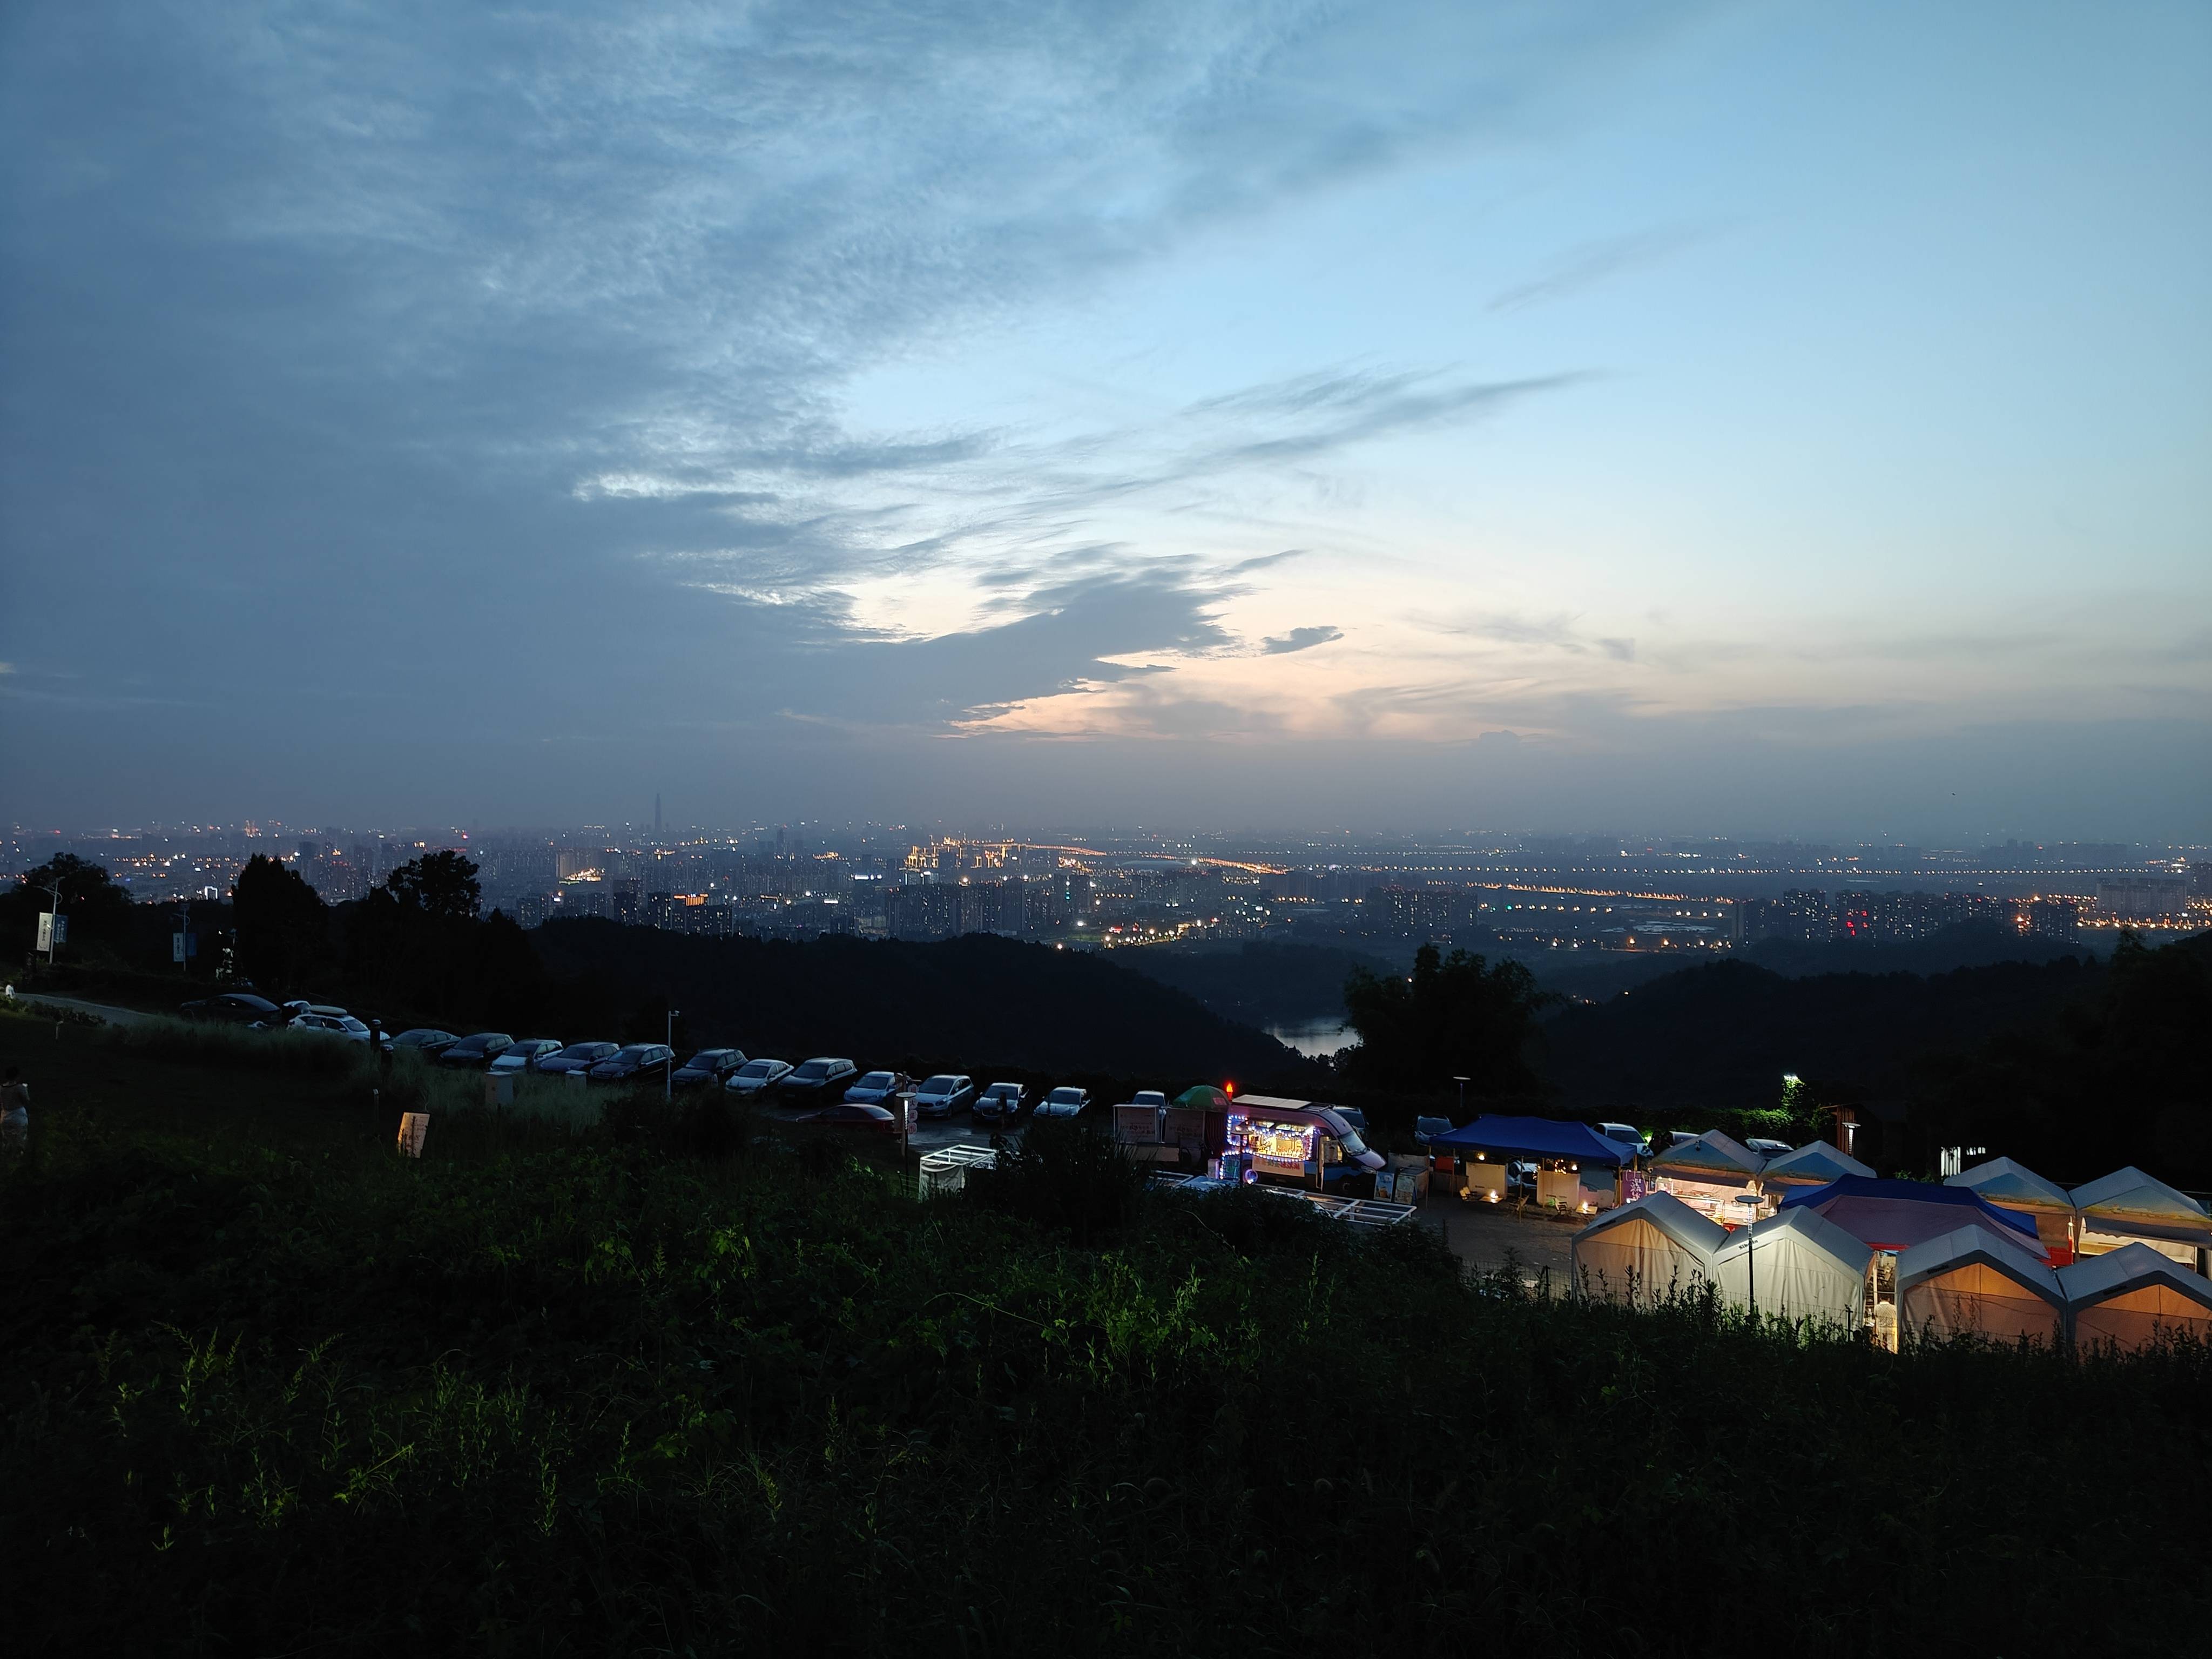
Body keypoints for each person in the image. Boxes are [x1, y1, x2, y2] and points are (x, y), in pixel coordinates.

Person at [1, 1066, 28, 1164]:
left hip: (5, 1116)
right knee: (20, 1140)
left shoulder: (1, 1088)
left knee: (7, 1141)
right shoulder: (19, 1088)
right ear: (17, 1077)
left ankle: (6, 1163)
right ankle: (18, 1163)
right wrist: (25, 1089)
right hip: (18, 1116)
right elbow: (26, 1100)